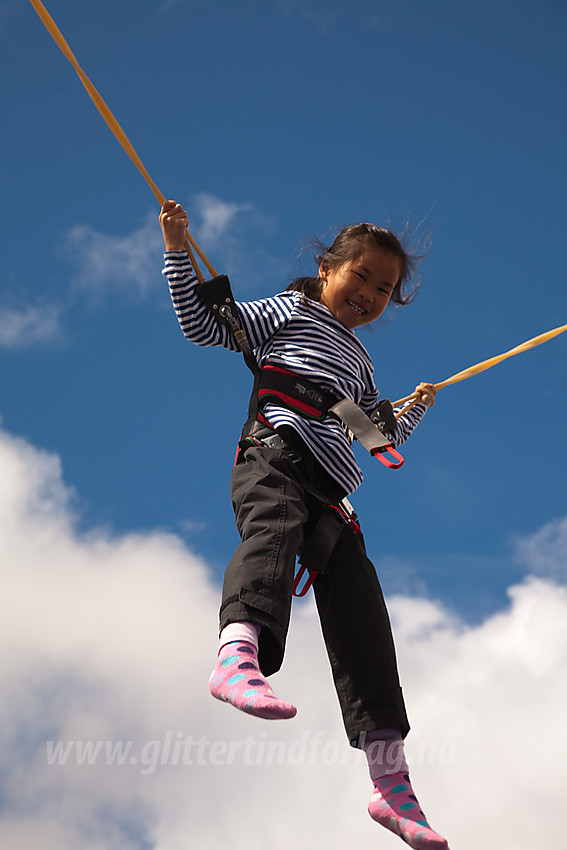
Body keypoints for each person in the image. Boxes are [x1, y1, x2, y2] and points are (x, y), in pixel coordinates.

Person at [160, 200, 450, 850]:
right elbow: (203, 326)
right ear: (326, 268)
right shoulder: (289, 312)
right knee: (270, 536)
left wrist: (420, 407)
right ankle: (237, 656)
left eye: (384, 290)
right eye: (363, 277)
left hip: (333, 494)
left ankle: (389, 783)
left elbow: (377, 436)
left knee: (362, 617)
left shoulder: (361, 367)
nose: (372, 295)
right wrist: (178, 252)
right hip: (275, 452)